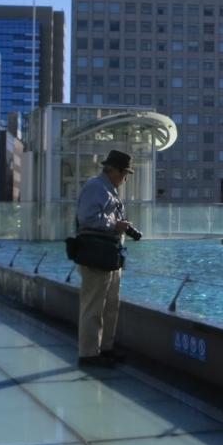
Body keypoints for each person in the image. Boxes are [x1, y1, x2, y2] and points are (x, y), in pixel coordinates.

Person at [75, 150, 135, 366]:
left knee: (110, 305)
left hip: (109, 255)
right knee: (93, 305)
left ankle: (105, 348)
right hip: (96, 255)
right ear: (114, 170)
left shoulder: (109, 189)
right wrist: (115, 225)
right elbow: (87, 218)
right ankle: (89, 353)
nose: (125, 178)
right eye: (124, 173)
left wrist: (120, 226)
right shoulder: (95, 187)